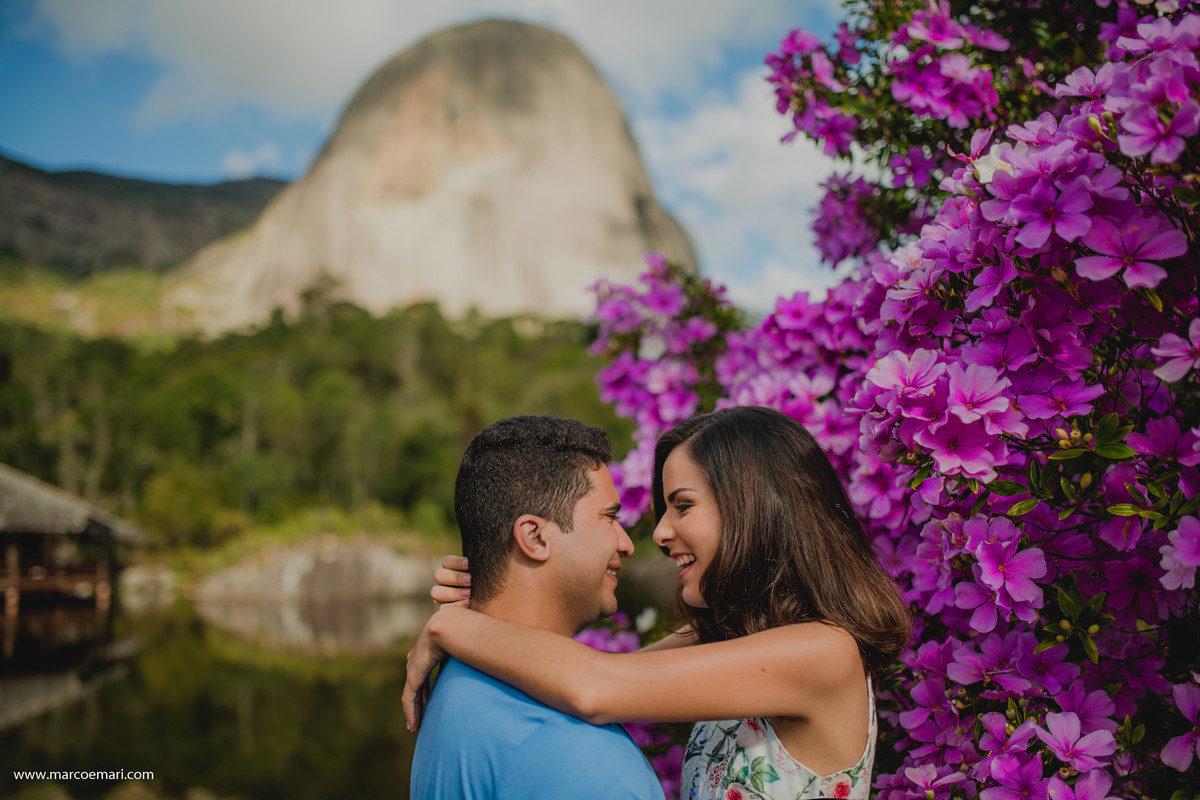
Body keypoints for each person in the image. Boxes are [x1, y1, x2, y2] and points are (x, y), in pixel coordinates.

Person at [405, 406, 911, 800]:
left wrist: (451, 628)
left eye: (683, 506)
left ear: (754, 507)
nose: (660, 533)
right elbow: (591, 674)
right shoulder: (742, 639)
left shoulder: (823, 654)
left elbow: (596, 686)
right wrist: (485, 590)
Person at [408, 414, 666, 800]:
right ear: (535, 537)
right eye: (609, 518)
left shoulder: (458, 680)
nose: (627, 543)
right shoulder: (581, 758)